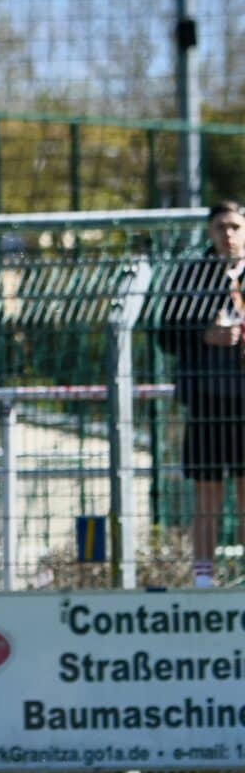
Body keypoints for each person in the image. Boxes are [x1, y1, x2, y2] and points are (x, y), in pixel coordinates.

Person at [157, 200, 245, 588]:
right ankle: (203, 578)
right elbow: (165, 334)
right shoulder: (191, 276)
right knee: (207, 492)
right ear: (209, 232)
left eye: (235, 227)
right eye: (220, 228)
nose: (228, 235)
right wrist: (204, 336)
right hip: (207, 401)